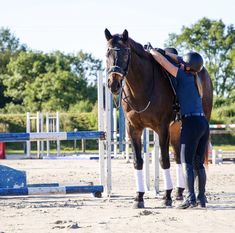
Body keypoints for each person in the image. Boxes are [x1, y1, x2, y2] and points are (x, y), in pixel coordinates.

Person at [145, 43, 209, 209]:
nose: (179, 64)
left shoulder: (181, 76)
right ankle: (201, 199)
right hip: (203, 123)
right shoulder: (195, 79)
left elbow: (163, 62)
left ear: (186, 67)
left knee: (187, 163)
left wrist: (152, 51)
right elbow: (179, 59)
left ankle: (189, 199)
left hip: (191, 124)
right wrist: (169, 53)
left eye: (182, 63)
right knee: (198, 163)